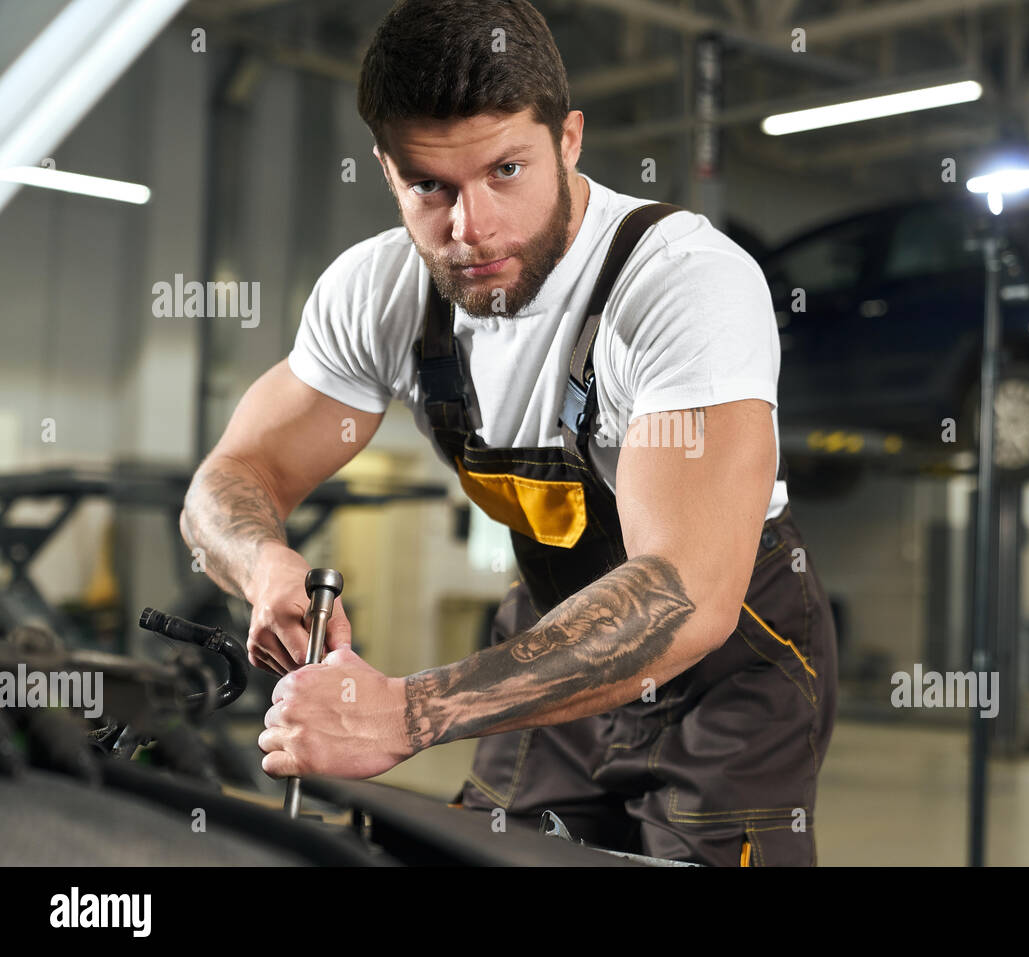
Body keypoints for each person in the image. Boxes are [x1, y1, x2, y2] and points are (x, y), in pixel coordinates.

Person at [179, 0, 837, 867]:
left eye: (506, 171)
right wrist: (265, 563)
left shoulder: (682, 283)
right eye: (430, 186)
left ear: (567, 140)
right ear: (387, 170)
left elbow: (683, 592)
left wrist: (410, 712)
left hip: (728, 666)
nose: (471, 227)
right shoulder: (379, 293)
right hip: (553, 627)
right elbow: (234, 476)